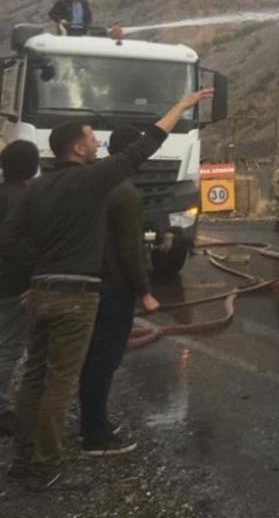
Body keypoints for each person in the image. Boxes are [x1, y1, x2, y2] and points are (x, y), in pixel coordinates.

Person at [1, 88, 212, 492]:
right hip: (74, 297)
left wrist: (37, 274)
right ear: (77, 149)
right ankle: (47, 467)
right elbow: (145, 146)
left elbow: (8, 240)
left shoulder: (38, 187)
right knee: (61, 383)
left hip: (41, 292)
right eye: (90, 138)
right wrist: (181, 107)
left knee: (33, 380)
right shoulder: (92, 179)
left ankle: (21, 461)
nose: (97, 142)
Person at [77, 126, 161, 456]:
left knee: (89, 355)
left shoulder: (91, 183)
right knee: (104, 358)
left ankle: (88, 424)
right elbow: (130, 250)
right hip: (113, 286)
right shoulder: (126, 193)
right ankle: (95, 434)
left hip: (87, 280)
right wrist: (145, 291)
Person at [0, 140, 39, 437]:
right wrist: (33, 281)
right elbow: (23, 247)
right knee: (10, 346)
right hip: (12, 285)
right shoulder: (26, 200)